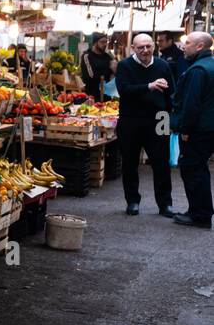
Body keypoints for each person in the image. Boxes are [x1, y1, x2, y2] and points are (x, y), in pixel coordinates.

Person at [113, 33, 173, 217]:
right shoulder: (124, 66)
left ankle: (165, 204)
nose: (145, 50)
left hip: (159, 119)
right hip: (131, 119)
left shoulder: (163, 65)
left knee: (161, 163)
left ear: (153, 47)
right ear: (133, 48)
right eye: (141, 47)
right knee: (130, 162)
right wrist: (149, 86)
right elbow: (124, 90)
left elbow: (171, 92)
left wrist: (169, 118)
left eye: (148, 46)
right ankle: (132, 201)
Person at [172, 31, 214, 229]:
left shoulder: (198, 70)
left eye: (187, 43)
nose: (183, 46)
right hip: (208, 128)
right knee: (199, 169)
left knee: (193, 170)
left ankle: (200, 215)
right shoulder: (209, 66)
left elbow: (191, 103)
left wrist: (185, 129)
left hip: (198, 130)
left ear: (200, 46)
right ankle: (199, 211)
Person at [79, 32, 116, 102]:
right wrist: (109, 70)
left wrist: (115, 70)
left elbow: (113, 76)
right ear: (95, 43)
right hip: (92, 97)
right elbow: (91, 76)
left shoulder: (108, 57)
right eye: (102, 42)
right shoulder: (87, 56)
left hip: (107, 96)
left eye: (106, 42)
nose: (105, 44)